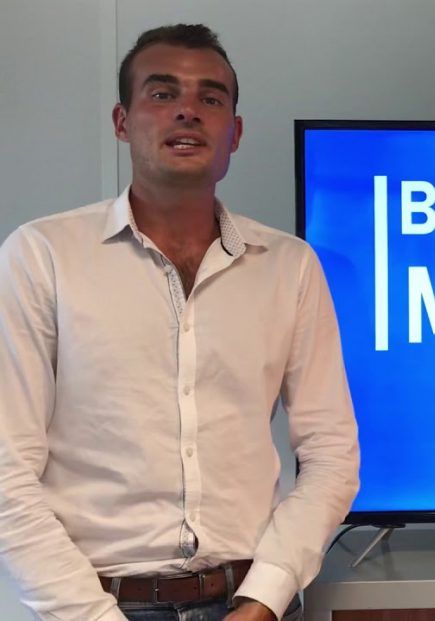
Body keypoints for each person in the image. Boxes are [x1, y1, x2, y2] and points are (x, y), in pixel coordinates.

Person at [0, 24, 359, 621]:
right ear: (122, 122)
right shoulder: (42, 257)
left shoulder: (290, 266)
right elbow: (5, 471)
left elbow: (332, 453)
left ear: (234, 133)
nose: (188, 111)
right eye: (163, 94)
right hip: (97, 604)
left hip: (251, 601)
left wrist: (265, 597)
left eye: (210, 98)